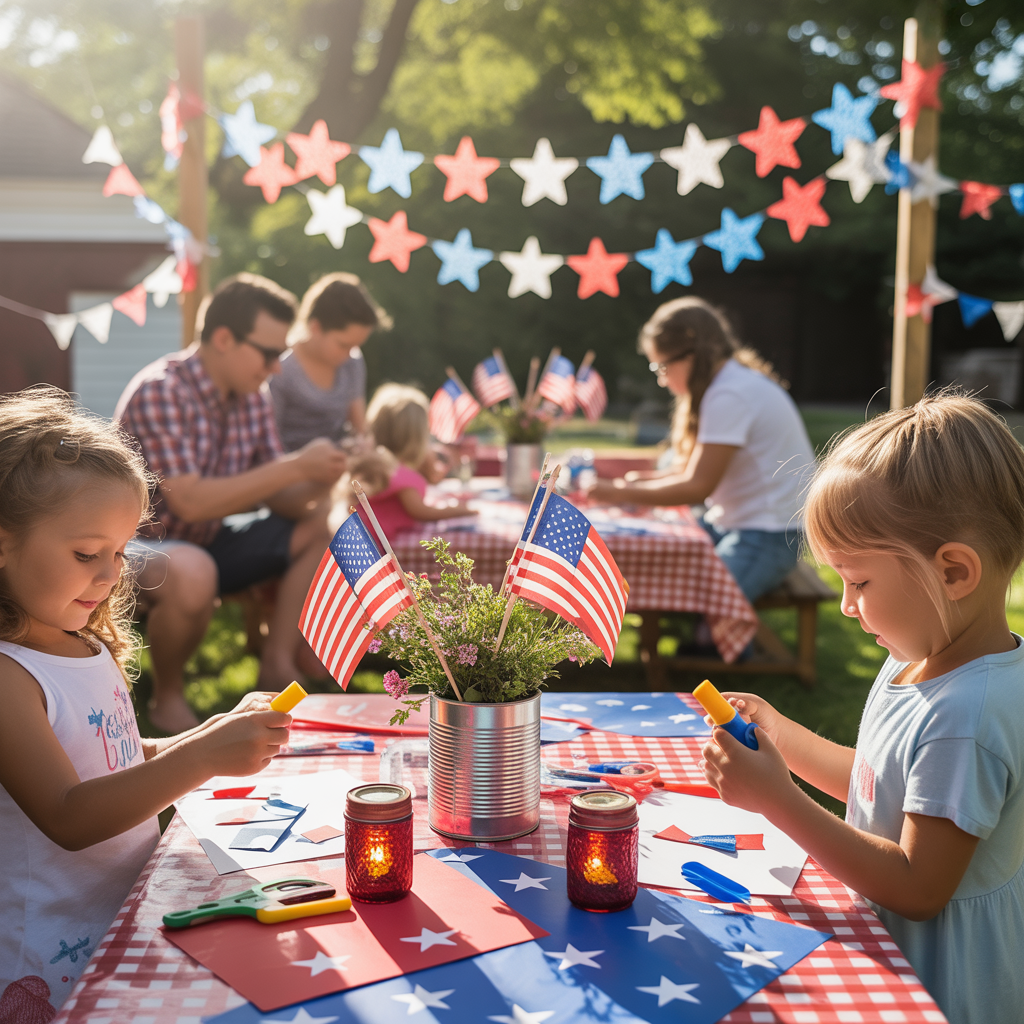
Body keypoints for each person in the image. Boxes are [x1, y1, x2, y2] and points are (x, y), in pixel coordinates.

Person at [700, 394, 1024, 1024]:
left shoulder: (968, 716)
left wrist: (778, 800)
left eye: (860, 581)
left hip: (941, 988)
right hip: (891, 956)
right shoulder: (918, 655)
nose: (847, 605)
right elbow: (881, 785)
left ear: (954, 572)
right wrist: (780, 734)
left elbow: (917, 886)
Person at [0, 389, 291, 1013]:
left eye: (119, 552)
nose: (109, 576)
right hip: (46, 957)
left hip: (117, 919)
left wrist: (208, 733)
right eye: (86, 554)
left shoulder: (79, 642)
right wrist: (202, 758)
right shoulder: (9, 675)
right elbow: (69, 814)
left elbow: (115, 757)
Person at [116, 273, 347, 734]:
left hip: (207, 543)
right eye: (268, 353)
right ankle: (168, 698)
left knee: (325, 522)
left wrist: (331, 476)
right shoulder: (162, 389)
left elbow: (281, 498)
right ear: (223, 338)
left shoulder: (252, 396)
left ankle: (277, 663)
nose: (276, 367)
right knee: (193, 570)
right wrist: (298, 466)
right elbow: (191, 502)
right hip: (133, 548)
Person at [587, 297, 815, 603]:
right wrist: (634, 483)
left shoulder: (729, 395)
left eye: (663, 367)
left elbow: (697, 487)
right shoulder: (729, 383)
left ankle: (706, 647)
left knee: (706, 610)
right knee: (666, 570)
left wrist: (619, 492)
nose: (663, 379)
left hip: (768, 535)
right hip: (745, 523)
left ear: (692, 354)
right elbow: (687, 470)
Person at [269, 272, 391, 452]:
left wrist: (361, 446)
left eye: (356, 346)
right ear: (315, 327)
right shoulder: (280, 369)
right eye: (344, 345)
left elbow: (360, 429)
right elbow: (270, 446)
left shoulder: (353, 362)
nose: (350, 353)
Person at [347, 384, 474, 541]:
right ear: (419, 438)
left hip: (356, 541)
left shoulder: (376, 465)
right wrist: (458, 510)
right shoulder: (402, 476)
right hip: (373, 550)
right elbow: (421, 512)